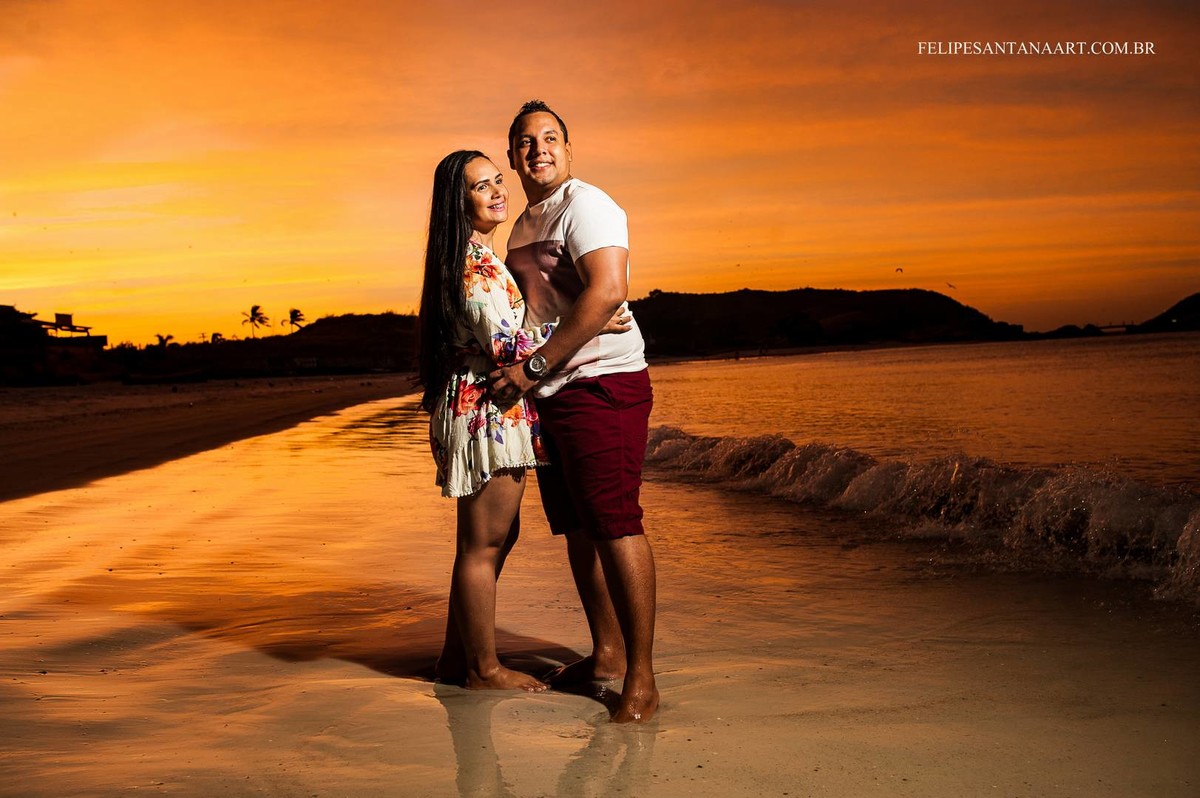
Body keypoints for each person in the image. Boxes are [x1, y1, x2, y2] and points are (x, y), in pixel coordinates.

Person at [418, 150, 628, 693]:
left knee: (488, 541)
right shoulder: (477, 266)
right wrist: (596, 316)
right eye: (479, 187)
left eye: (496, 180)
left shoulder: (476, 256)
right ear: (457, 203)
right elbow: (508, 346)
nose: (496, 191)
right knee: (484, 544)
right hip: (490, 406)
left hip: (484, 404)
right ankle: (481, 670)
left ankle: (453, 658)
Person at [489, 100, 659, 723]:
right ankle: (607, 652)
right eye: (526, 142)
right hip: (553, 394)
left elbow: (609, 289)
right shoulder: (525, 225)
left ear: (569, 148)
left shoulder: (586, 204)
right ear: (512, 158)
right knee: (579, 530)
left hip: (603, 383)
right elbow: (542, 310)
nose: (539, 149)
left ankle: (641, 678)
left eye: (550, 138)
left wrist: (533, 367)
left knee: (615, 522)